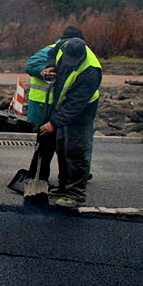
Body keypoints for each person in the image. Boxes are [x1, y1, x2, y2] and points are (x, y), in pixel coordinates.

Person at [38, 37, 102, 208]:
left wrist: (54, 123)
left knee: (76, 153)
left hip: (81, 115)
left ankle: (76, 194)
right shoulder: (63, 46)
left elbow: (76, 104)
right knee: (62, 148)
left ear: (82, 56)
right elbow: (52, 52)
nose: (68, 63)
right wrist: (50, 66)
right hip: (62, 107)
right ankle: (63, 186)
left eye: (72, 61)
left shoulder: (90, 71)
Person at [24, 25, 84, 125]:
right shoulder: (50, 50)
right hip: (40, 103)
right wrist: (45, 72)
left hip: (54, 103)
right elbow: (30, 65)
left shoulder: (74, 53)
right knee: (35, 134)